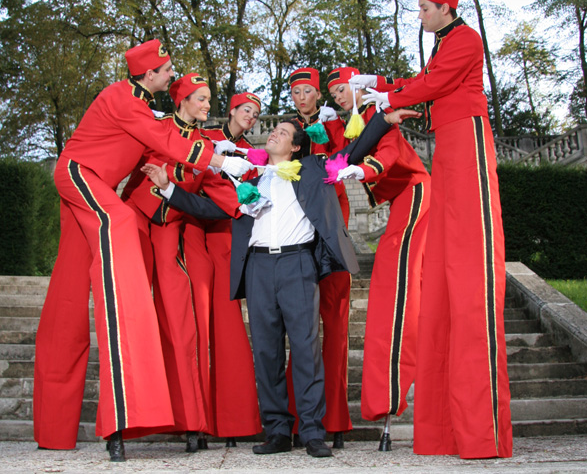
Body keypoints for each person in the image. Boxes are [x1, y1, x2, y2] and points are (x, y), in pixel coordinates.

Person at [142, 108, 421, 458]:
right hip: (258, 267)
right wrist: (167, 188)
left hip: (297, 264)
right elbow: (211, 209)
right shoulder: (249, 177)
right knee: (266, 351)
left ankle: (312, 431)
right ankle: (276, 431)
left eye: (284, 133)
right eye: (275, 131)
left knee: (306, 349)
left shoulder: (313, 169)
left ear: (295, 147)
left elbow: (353, 152)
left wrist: (383, 121)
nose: (274, 134)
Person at [33, 41, 253, 462]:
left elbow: (176, 148)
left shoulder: (151, 113)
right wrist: (220, 161)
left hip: (136, 210)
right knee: (117, 226)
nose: (172, 74)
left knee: (68, 296)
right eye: (168, 70)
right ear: (150, 75)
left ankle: (54, 428)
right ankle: (127, 404)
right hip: (83, 176)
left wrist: (230, 169)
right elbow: (160, 138)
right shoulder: (125, 99)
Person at [352, 0, 513, 459]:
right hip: (449, 143)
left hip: (467, 138)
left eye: (425, 8)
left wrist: (387, 99)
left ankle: (479, 430)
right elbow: (425, 82)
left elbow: (434, 84)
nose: (420, 15)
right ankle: (447, 429)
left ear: (445, 7)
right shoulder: (446, 42)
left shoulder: (464, 39)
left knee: (469, 258)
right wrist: (379, 85)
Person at [121, 73, 246, 453]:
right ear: (182, 100)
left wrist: (249, 198)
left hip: (169, 231)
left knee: (181, 321)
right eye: (201, 98)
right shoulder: (154, 127)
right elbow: (118, 162)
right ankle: (126, 419)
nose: (208, 105)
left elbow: (220, 196)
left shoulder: (206, 146)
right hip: (134, 221)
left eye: (209, 99)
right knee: (131, 313)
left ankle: (191, 421)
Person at [328, 66, 431, 450]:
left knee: (394, 282)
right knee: (393, 283)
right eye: (334, 94)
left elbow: (387, 153)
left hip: (416, 192)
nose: (339, 97)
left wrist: (362, 169)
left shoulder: (378, 116)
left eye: (343, 89)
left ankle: (391, 389)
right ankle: (388, 391)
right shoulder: (357, 123)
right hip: (402, 200)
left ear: (358, 87)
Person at [185, 92, 263, 447]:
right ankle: (195, 419)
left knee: (229, 323)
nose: (251, 117)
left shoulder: (251, 154)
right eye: (246, 110)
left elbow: (250, 198)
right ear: (232, 110)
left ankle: (233, 421)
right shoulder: (206, 138)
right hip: (192, 227)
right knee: (197, 319)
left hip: (226, 234)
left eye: (256, 113)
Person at [287, 67, 352, 448]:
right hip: (297, 226)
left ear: (318, 95)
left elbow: (347, 162)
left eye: (307, 91)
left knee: (336, 323)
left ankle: (337, 419)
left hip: (331, 221)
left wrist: (329, 134)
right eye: (296, 92)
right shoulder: (287, 129)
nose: (302, 98)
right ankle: (301, 419)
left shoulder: (335, 124)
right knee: (301, 327)